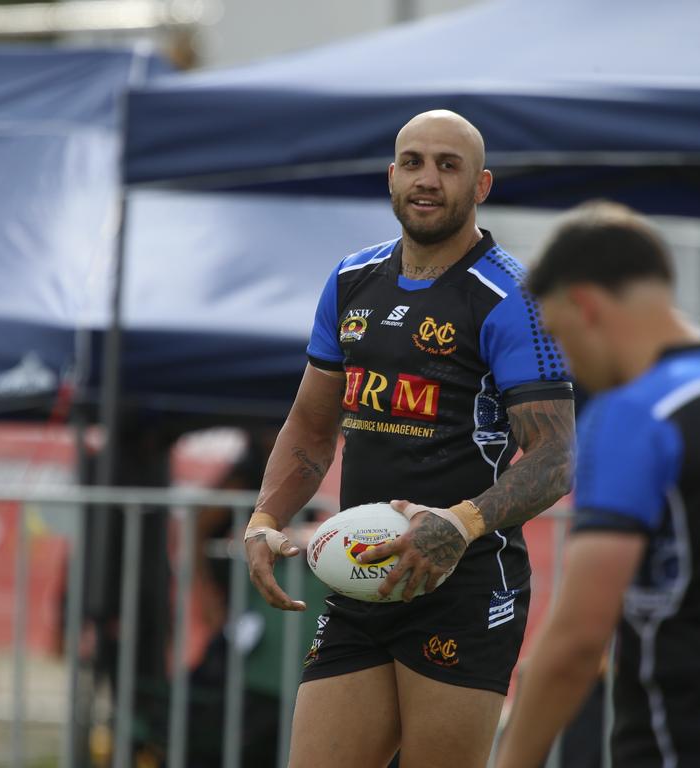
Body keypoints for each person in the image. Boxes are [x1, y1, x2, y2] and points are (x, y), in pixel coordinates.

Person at [244, 110, 575, 768]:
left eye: (448, 166)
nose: (428, 179)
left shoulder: (513, 297)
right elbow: (311, 426)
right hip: (365, 579)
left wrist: (457, 524)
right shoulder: (350, 280)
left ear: (480, 185)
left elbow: (558, 456)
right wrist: (263, 519)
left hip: (464, 584)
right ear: (391, 176)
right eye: (414, 162)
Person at [494, 202, 700, 768]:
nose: (567, 361)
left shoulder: (636, 413)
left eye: (558, 334)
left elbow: (579, 638)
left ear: (583, 304)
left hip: (690, 732)